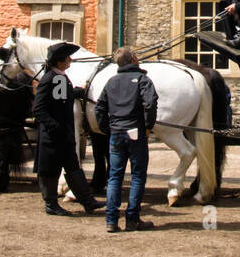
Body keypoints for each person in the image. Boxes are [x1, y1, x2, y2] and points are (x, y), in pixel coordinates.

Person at [33, 41, 105, 217]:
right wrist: (54, 127)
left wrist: (77, 93)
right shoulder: (51, 78)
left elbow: (62, 99)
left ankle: (87, 201)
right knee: (51, 170)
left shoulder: (59, 77)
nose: (70, 60)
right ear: (59, 62)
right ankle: (51, 204)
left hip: (64, 135)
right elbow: (39, 109)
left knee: (73, 167)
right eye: (67, 58)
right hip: (53, 136)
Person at [97, 46, 159, 232]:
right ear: (133, 59)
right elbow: (150, 103)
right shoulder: (142, 79)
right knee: (138, 176)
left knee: (115, 177)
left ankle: (111, 220)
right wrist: (148, 126)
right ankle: (132, 219)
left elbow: (99, 108)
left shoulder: (111, 81)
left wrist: (107, 129)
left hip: (116, 133)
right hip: (135, 132)